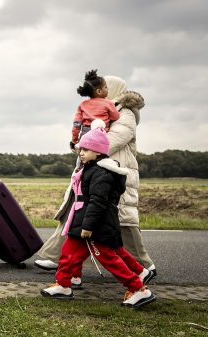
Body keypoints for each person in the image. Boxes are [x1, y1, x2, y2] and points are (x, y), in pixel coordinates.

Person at [35, 75, 157, 279]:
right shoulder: (102, 108)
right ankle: (56, 257)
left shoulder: (124, 112)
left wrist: (83, 145)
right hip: (92, 170)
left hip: (114, 172)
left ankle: (143, 265)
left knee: (124, 223)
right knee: (74, 213)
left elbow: (111, 141)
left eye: (110, 86)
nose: (106, 89)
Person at [40, 121, 156, 308]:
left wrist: (88, 226)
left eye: (86, 149)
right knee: (68, 254)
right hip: (82, 220)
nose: (81, 153)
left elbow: (98, 202)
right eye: (81, 149)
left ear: (98, 151)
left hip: (95, 224)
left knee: (108, 258)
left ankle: (138, 289)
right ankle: (63, 285)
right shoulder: (90, 169)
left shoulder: (101, 173)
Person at [71, 69, 119, 148]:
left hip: (85, 134)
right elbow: (116, 117)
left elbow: (76, 125)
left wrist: (74, 139)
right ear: (99, 91)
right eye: (106, 87)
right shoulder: (108, 103)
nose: (108, 89)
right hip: (101, 134)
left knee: (84, 156)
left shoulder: (82, 105)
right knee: (98, 156)